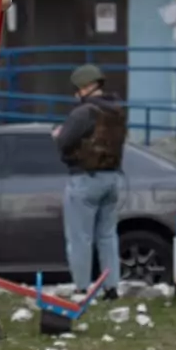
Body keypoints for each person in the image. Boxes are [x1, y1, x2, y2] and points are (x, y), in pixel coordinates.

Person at [53, 63, 126, 297]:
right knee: (107, 236)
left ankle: (82, 287)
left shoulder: (83, 112)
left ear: (84, 87)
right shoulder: (116, 111)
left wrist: (57, 134)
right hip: (112, 178)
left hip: (85, 179)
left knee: (80, 237)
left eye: (77, 89)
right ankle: (111, 288)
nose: (76, 95)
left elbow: (65, 141)